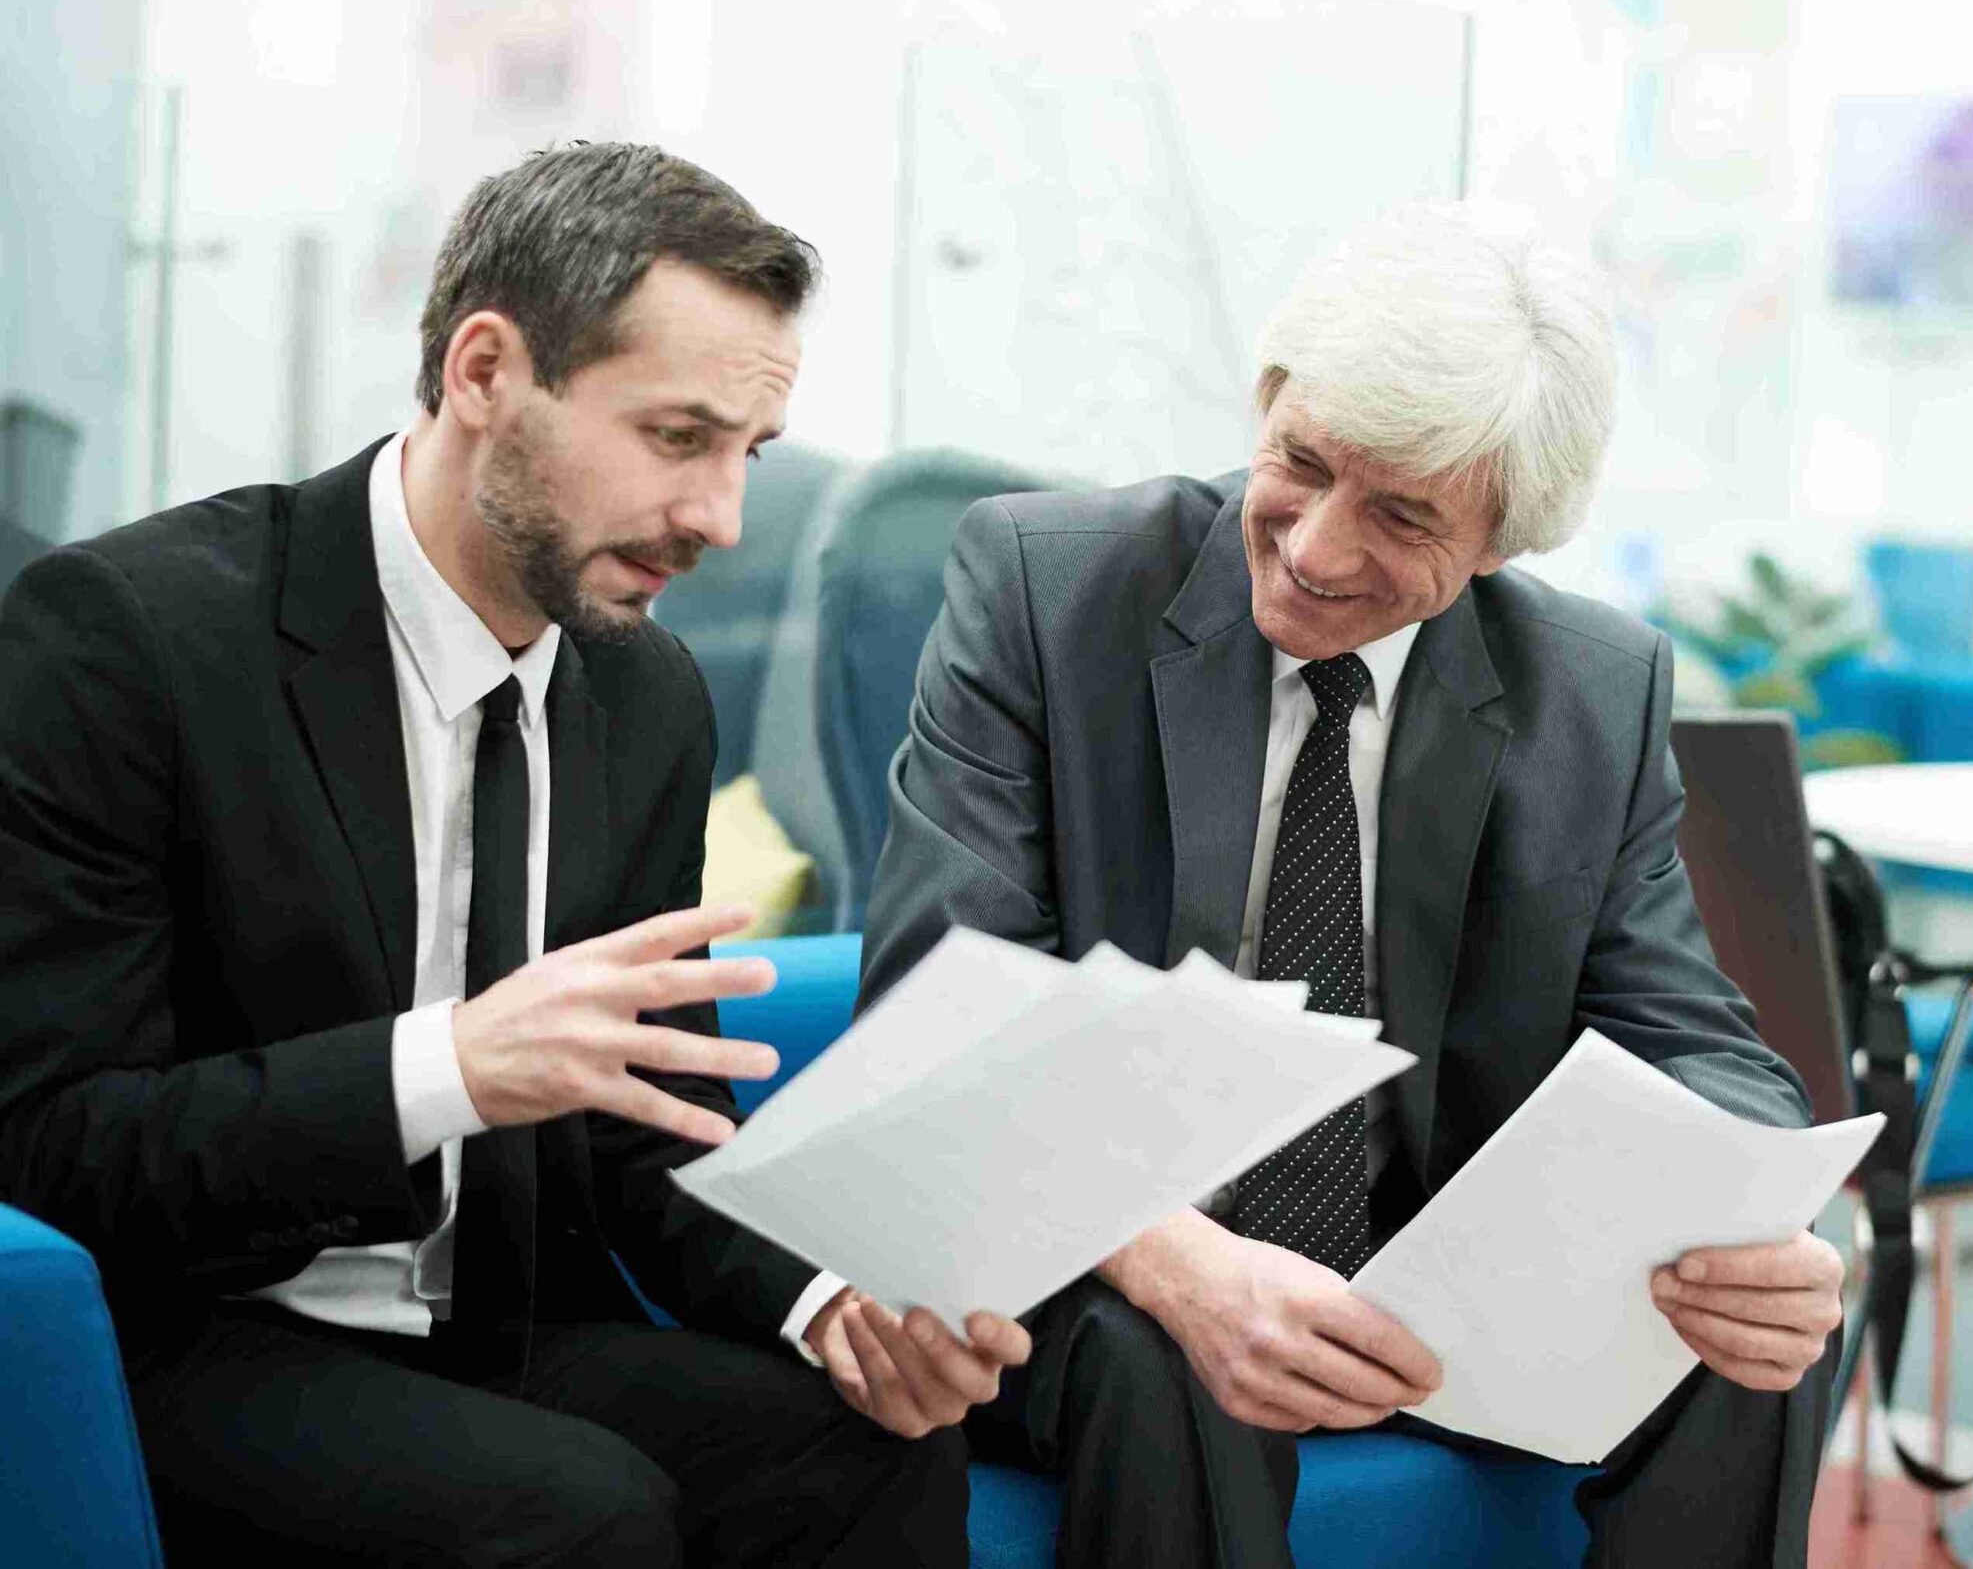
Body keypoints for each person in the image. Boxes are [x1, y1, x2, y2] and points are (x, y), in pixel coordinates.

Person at [0, 142, 1028, 1567]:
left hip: (496, 1324)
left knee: (872, 1451)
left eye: (748, 456)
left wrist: (828, 1301)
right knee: (576, 1517)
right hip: (201, 1335)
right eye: (678, 439)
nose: (720, 520)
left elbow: (641, 1137)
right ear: (484, 373)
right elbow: (54, 1144)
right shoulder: (128, 642)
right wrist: (451, 1070)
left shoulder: (646, 693)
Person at [861, 201, 1844, 1568]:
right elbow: (939, 996)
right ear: (1266, 401)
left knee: (1757, 1331)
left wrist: (1761, 1228)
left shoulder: (1594, 691)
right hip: (1106, 1255)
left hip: (1436, 1284)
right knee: (1172, 1356)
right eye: (1303, 462)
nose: (1318, 548)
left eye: (1401, 514)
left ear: (1502, 539)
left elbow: (1693, 1041)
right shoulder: (1045, 589)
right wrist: (1172, 1257)